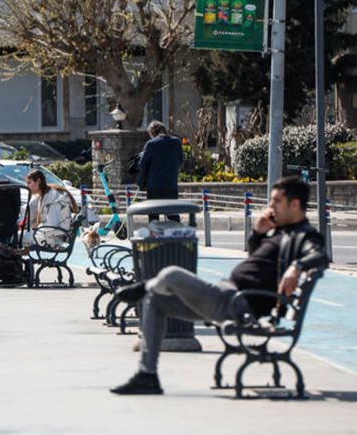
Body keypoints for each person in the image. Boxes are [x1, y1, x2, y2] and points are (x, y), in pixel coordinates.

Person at [109, 177, 329, 395]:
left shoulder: (305, 235)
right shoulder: (279, 232)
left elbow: (320, 255)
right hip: (226, 297)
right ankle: (147, 376)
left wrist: (297, 266)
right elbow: (257, 265)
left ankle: (144, 286)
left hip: (237, 304)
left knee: (172, 273)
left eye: (276, 202)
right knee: (155, 301)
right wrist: (258, 234)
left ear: (295, 204)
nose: (270, 207)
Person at [137, 120, 183, 222]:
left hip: (154, 186)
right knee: (172, 214)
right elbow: (180, 161)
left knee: (154, 215)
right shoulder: (177, 142)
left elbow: (142, 164)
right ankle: (176, 235)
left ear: (152, 133)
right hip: (171, 185)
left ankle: (155, 236)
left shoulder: (150, 144)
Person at [23, 169, 79, 247]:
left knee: (17, 237)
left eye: (29, 182)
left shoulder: (52, 198)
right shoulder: (46, 195)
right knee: (19, 235)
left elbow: (52, 224)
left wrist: (34, 229)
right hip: (51, 234)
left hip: (53, 237)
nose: (27, 186)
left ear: (38, 181)